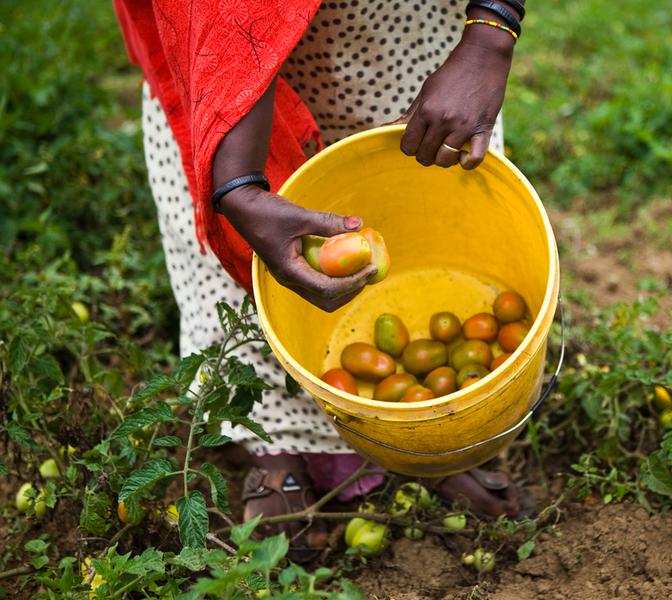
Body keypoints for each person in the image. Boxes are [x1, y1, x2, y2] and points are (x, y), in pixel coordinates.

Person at [113, 0, 527, 559]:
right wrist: (236, 184)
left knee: (419, 183)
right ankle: (273, 437)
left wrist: (490, 33)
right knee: (248, 248)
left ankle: (420, 439)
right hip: (222, 36)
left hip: (399, 35)